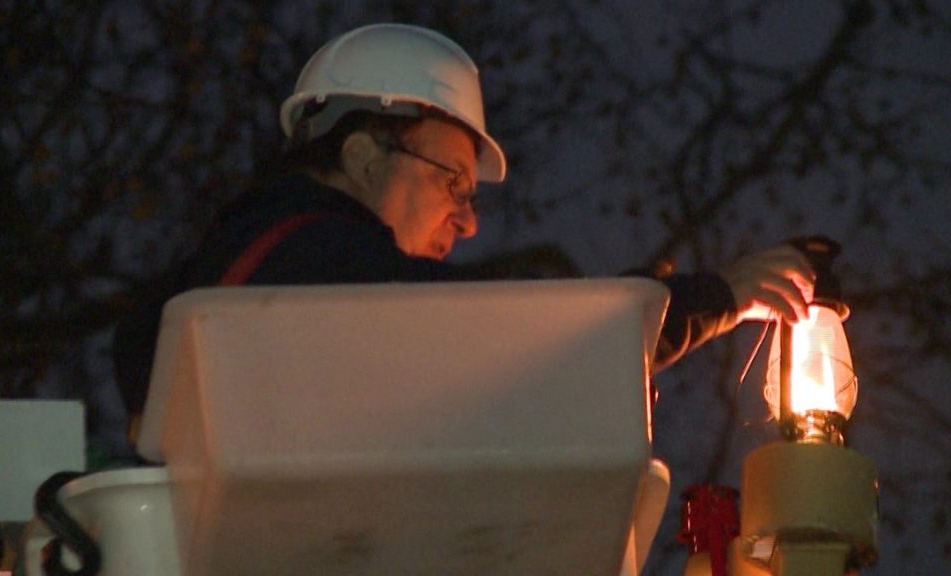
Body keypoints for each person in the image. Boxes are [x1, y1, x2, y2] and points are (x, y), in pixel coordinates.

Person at [113, 23, 815, 423]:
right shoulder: (317, 264)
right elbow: (516, 348)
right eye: (452, 179)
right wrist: (715, 297)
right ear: (361, 156)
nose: (468, 221)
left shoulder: (230, 275)